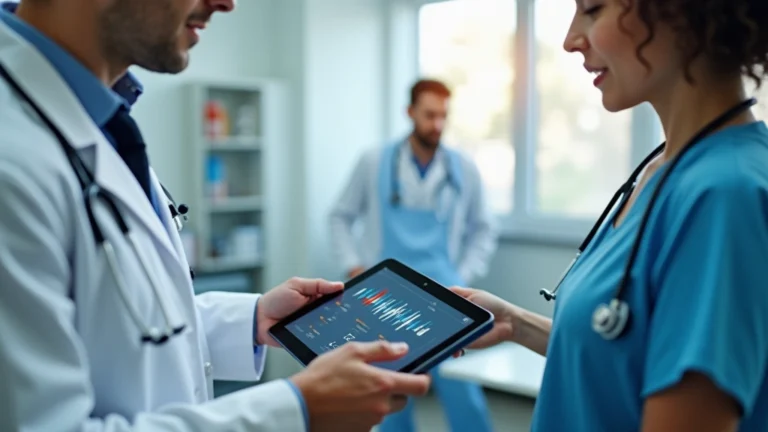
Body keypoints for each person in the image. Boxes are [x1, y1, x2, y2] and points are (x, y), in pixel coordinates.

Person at [0, 1, 431, 431]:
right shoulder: (13, 152)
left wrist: (254, 318)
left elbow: (117, 325)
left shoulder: (99, 118)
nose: (226, 2)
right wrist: (295, 410)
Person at [448, 0, 768, 431]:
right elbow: (627, 349)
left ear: (681, 11)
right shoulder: (661, 169)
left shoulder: (725, 196)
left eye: (593, 9)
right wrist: (515, 323)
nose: (569, 40)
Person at [329, 79, 498, 432]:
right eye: (429, 115)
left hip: (445, 295)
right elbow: (339, 216)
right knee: (391, 391)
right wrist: (354, 266)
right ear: (410, 113)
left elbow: (484, 228)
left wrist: (461, 273)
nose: (437, 125)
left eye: (443, 117)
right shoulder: (374, 161)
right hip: (385, 297)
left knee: (461, 387)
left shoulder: (463, 168)